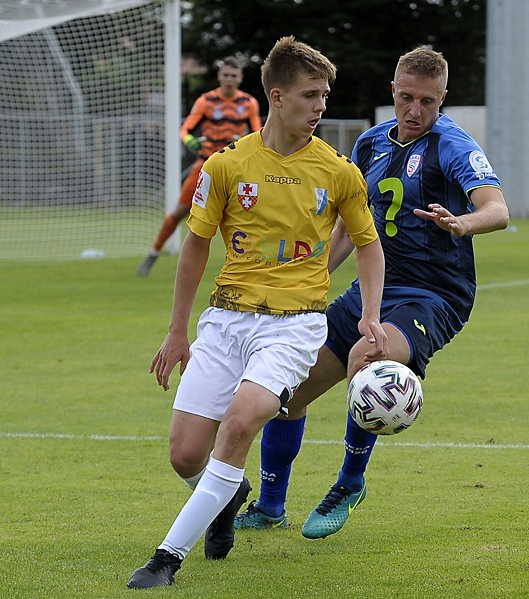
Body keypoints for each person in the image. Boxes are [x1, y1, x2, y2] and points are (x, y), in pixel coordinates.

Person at [126, 36, 387, 589]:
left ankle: (165, 559)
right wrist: (178, 332)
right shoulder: (226, 167)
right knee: (184, 455)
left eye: (324, 95)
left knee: (242, 422)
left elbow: (367, 244)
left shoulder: (339, 172)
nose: (321, 106)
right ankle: (230, 494)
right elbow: (195, 244)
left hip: (294, 327)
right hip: (225, 321)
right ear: (276, 96)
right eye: (311, 95)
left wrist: (369, 315)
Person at [233, 47, 508, 540]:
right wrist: (314, 275)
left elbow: (497, 208)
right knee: (288, 391)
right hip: (373, 288)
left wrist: (463, 222)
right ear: (393, 92)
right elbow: (350, 227)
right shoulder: (369, 145)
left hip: (433, 297)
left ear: (443, 99)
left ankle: (350, 482)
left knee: (371, 359)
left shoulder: (454, 146)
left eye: (427, 101)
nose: (415, 111)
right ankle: (271, 506)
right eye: (406, 98)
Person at [136, 56, 262, 276]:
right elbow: (185, 130)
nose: (229, 80)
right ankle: (154, 253)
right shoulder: (206, 100)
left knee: (251, 213)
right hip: (205, 165)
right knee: (179, 212)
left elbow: (258, 135)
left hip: (236, 168)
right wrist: (189, 141)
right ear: (219, 76)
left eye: (234, 76)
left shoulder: (249, 103)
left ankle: (253, 261)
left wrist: (243, 140)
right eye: (226, 75)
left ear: (240, 78)